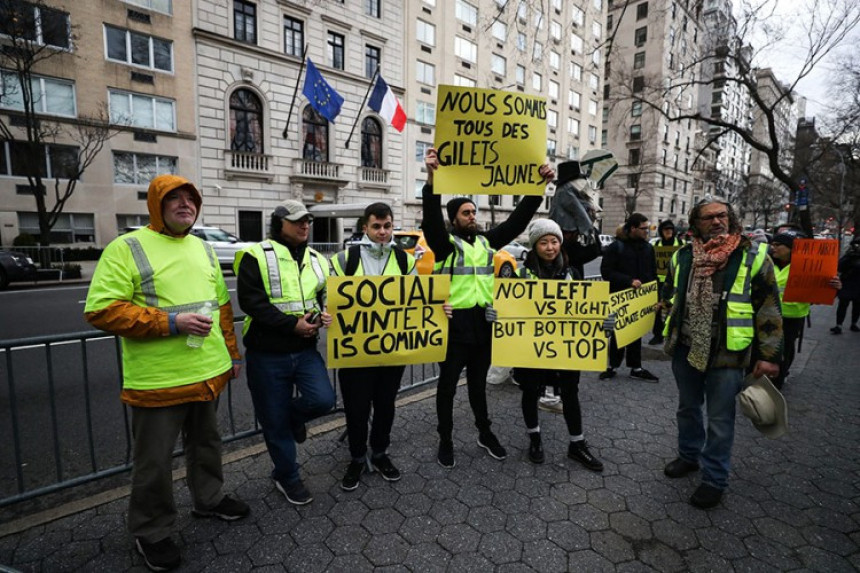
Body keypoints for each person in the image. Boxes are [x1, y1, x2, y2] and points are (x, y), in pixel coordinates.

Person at [85, 174, 249, 572]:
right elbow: (101, 308)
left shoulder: (204, 249)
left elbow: (222, 308)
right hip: (158, 380)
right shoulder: (128, 247)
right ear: (157, 205)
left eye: (190, 200)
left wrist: (232, 357)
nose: (184, 205)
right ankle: (152, 531)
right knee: (154, 462)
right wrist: (171, 322)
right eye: (174, 199)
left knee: (207, 444)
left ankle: (208, 500)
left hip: (208, 372)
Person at [422, 147, 555, 468]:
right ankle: (446, 438)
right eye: (466, 213)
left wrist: (538, 187)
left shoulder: (485, 243)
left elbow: (516, 221)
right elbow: (430, 218)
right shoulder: (444, 246)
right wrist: (431, 178)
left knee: (478, 387)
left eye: (473, 212)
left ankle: (485, 432)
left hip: (483, 325)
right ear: (454, 218)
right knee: (447, 389)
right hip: (453, 328)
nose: (473, 216)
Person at [661, 198, 783, 509]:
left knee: (720, 419)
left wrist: (769, 355)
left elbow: (769, 307)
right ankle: (689, 456)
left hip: (728, 353)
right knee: (687, 408)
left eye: (722, 216)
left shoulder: (752, 256)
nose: (717, 222)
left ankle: (714, 479)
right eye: (709, 217)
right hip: (686, 348)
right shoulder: (682, 256)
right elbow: (669, 294)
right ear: (695, 223)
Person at [234, 199, 335, 506]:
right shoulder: (256, 255)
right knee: (274, 423)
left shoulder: (318, 258)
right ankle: (287, 476)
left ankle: (292, 417)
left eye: (307, 220)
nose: (305, 225)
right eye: (297, 221)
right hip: (267, 353)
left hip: (304, 349)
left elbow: (325, 294)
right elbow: (252, 302)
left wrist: (327, 311)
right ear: (279, 224)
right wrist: (293, 326)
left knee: (323, 400)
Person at [330, 202, 417, 491]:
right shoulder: (345, 260)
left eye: (387, 226)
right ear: (365, 227)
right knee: (356, 408)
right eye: (377, 226)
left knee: (385, 405)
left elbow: (416, 300)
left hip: (391, 349)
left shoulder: (406, 261)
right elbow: (328, 296)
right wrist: (325, 311)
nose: (382, 231)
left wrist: (437, 305)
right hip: (356, 351)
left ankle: (379, 453)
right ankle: (356, 457)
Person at [509, 219, 604, 471]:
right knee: (530, 391)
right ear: (534, 245)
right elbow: (509, 307)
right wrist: (496, 314)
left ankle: (577, 443)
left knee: (570, 392)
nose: (550, 247)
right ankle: (535, 438)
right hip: (530, 345)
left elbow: (586, 309)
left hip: (566, 346)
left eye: (554, 241)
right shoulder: (522, 274)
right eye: (543, 242)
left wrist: (602, 320)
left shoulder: (572, 273)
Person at [768, 232, 840, 387]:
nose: (772, 248)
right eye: (772, 244)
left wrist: (835, 288)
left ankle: (776, 385)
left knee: (783, 351)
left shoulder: (804, 266)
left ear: (790, 249)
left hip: (792, 317)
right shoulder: (766, 262)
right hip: (768, 314)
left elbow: (821, 289)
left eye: (777, 245)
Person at [599, 213, 660, 381]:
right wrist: (628, 281)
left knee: (636, 332)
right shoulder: (616, 247)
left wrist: (656, 297)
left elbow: (653, 274)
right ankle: (612, 366)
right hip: (620, 298)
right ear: (633, 228)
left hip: (641, 299)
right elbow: (606, 272)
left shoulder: (648, 248)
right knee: (618, 332)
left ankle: (636, 368)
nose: (647, 231)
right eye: (644, 228)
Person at [649, 219, 684, 345]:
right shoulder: (656, 245)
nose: (668, 232)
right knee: (658, 309)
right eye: (665, 230)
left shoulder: (681, 243)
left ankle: (671, 334)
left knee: (674, 308)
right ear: (661, 231)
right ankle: (657, 334)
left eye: (670, 229)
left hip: (676, 283)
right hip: (659, 283)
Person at [832, 237, 860, 334]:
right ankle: (838, 325)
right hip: (847, 284)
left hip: (858, 286)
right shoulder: (849, 256)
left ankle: (854, 323)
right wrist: (849, 257)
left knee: (857, 307)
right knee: (843, 306)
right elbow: (839, 267)